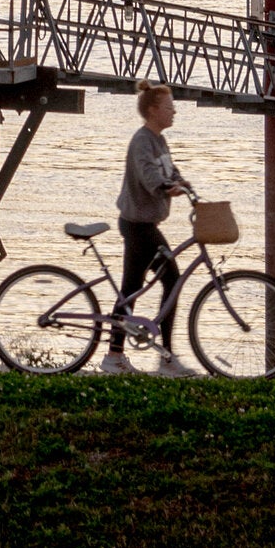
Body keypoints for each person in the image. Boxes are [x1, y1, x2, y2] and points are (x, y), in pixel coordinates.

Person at [109, 80, 192, 370]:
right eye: (170, 108)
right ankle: (164, 357)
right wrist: (166, 186)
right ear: (154, 110)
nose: (174, 112)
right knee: (170, 278)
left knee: (131, 288)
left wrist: (181, 182)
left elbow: (167, 167)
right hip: (138, 226)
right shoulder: (142, 141)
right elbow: (149, 175)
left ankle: (116, 355)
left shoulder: (158, 139)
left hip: (143, 224)